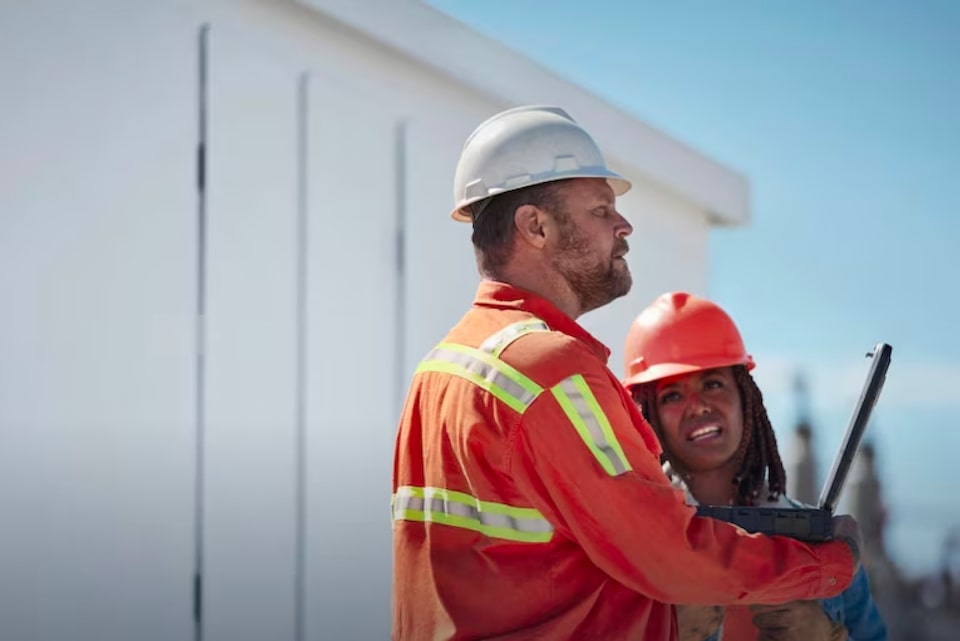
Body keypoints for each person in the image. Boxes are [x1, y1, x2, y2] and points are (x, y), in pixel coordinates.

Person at [391, 105, 863, 641]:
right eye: (600, 210)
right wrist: (825, 565)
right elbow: (666, 552)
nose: (624, 226)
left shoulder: (444, 368)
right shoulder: (548, 369)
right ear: (535, 226)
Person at [622, 291, 888, 641]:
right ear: (648, 416)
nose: (698, 405)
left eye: (713, 383)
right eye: (672, 395)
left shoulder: (824, 547)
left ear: (745, 396)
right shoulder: (629, 548)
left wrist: (828, 637)